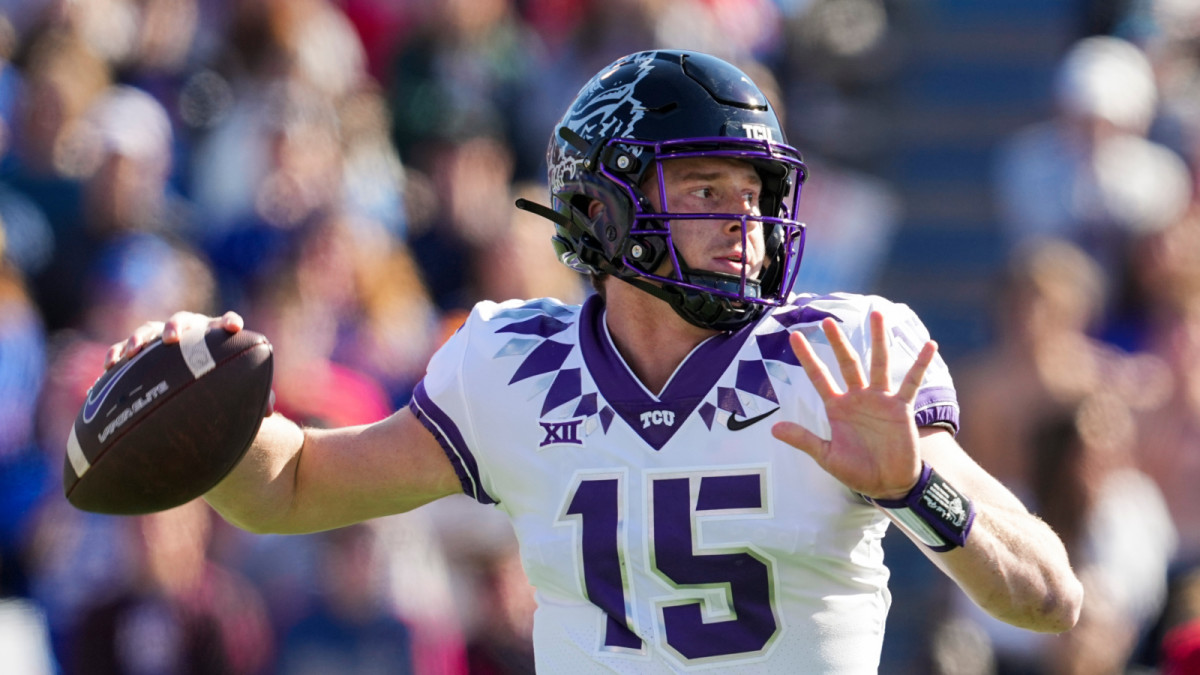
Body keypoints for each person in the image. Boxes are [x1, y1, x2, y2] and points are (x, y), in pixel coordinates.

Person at [102, 50, 1082, 672]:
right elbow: (293, 490)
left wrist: (916, 489)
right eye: (706, 187)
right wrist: (193, 399)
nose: (745, 222)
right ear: (604, 207)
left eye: (754, 192)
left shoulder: (841, 356)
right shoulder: (513, 367)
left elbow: (1047, 598)